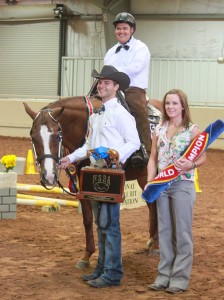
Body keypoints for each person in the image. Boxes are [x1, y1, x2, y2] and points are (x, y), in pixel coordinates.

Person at [59, 65, 140, 288]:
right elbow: (89, 145)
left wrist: (116, 155)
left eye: (106, 83)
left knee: (110, 224)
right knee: (100, 223)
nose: (101, 85)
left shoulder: (122, 114)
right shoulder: (96, 115)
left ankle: (113, 272)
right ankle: (102, 267)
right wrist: (71, 158)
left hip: (111, 172)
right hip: (95, 172)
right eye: (100, 82)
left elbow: (134, 142)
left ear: (116, 87)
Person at [145, 89, 206, 294]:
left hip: (182, 185)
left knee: (182, 232)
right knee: (164, 231)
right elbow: (153, 157)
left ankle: (179, 278)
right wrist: (150, 180)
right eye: (168, 103)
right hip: (162, 185)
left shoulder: (192, 130)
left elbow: (202, 157)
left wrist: (192, 164)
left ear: (183, 106)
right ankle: (163, 275)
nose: (170, 107)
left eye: (175, 103)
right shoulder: (159, 130)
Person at [104, 12, 151, 166]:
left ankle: (145, 150)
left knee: (137, 109)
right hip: (113, 88)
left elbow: (135, 68)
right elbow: (106, 71)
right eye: (118, 28)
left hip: (133, 88)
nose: (121, 31)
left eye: (125, 28)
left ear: (132, 30)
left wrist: (115, 73)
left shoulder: (141, 48)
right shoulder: (110, 52)